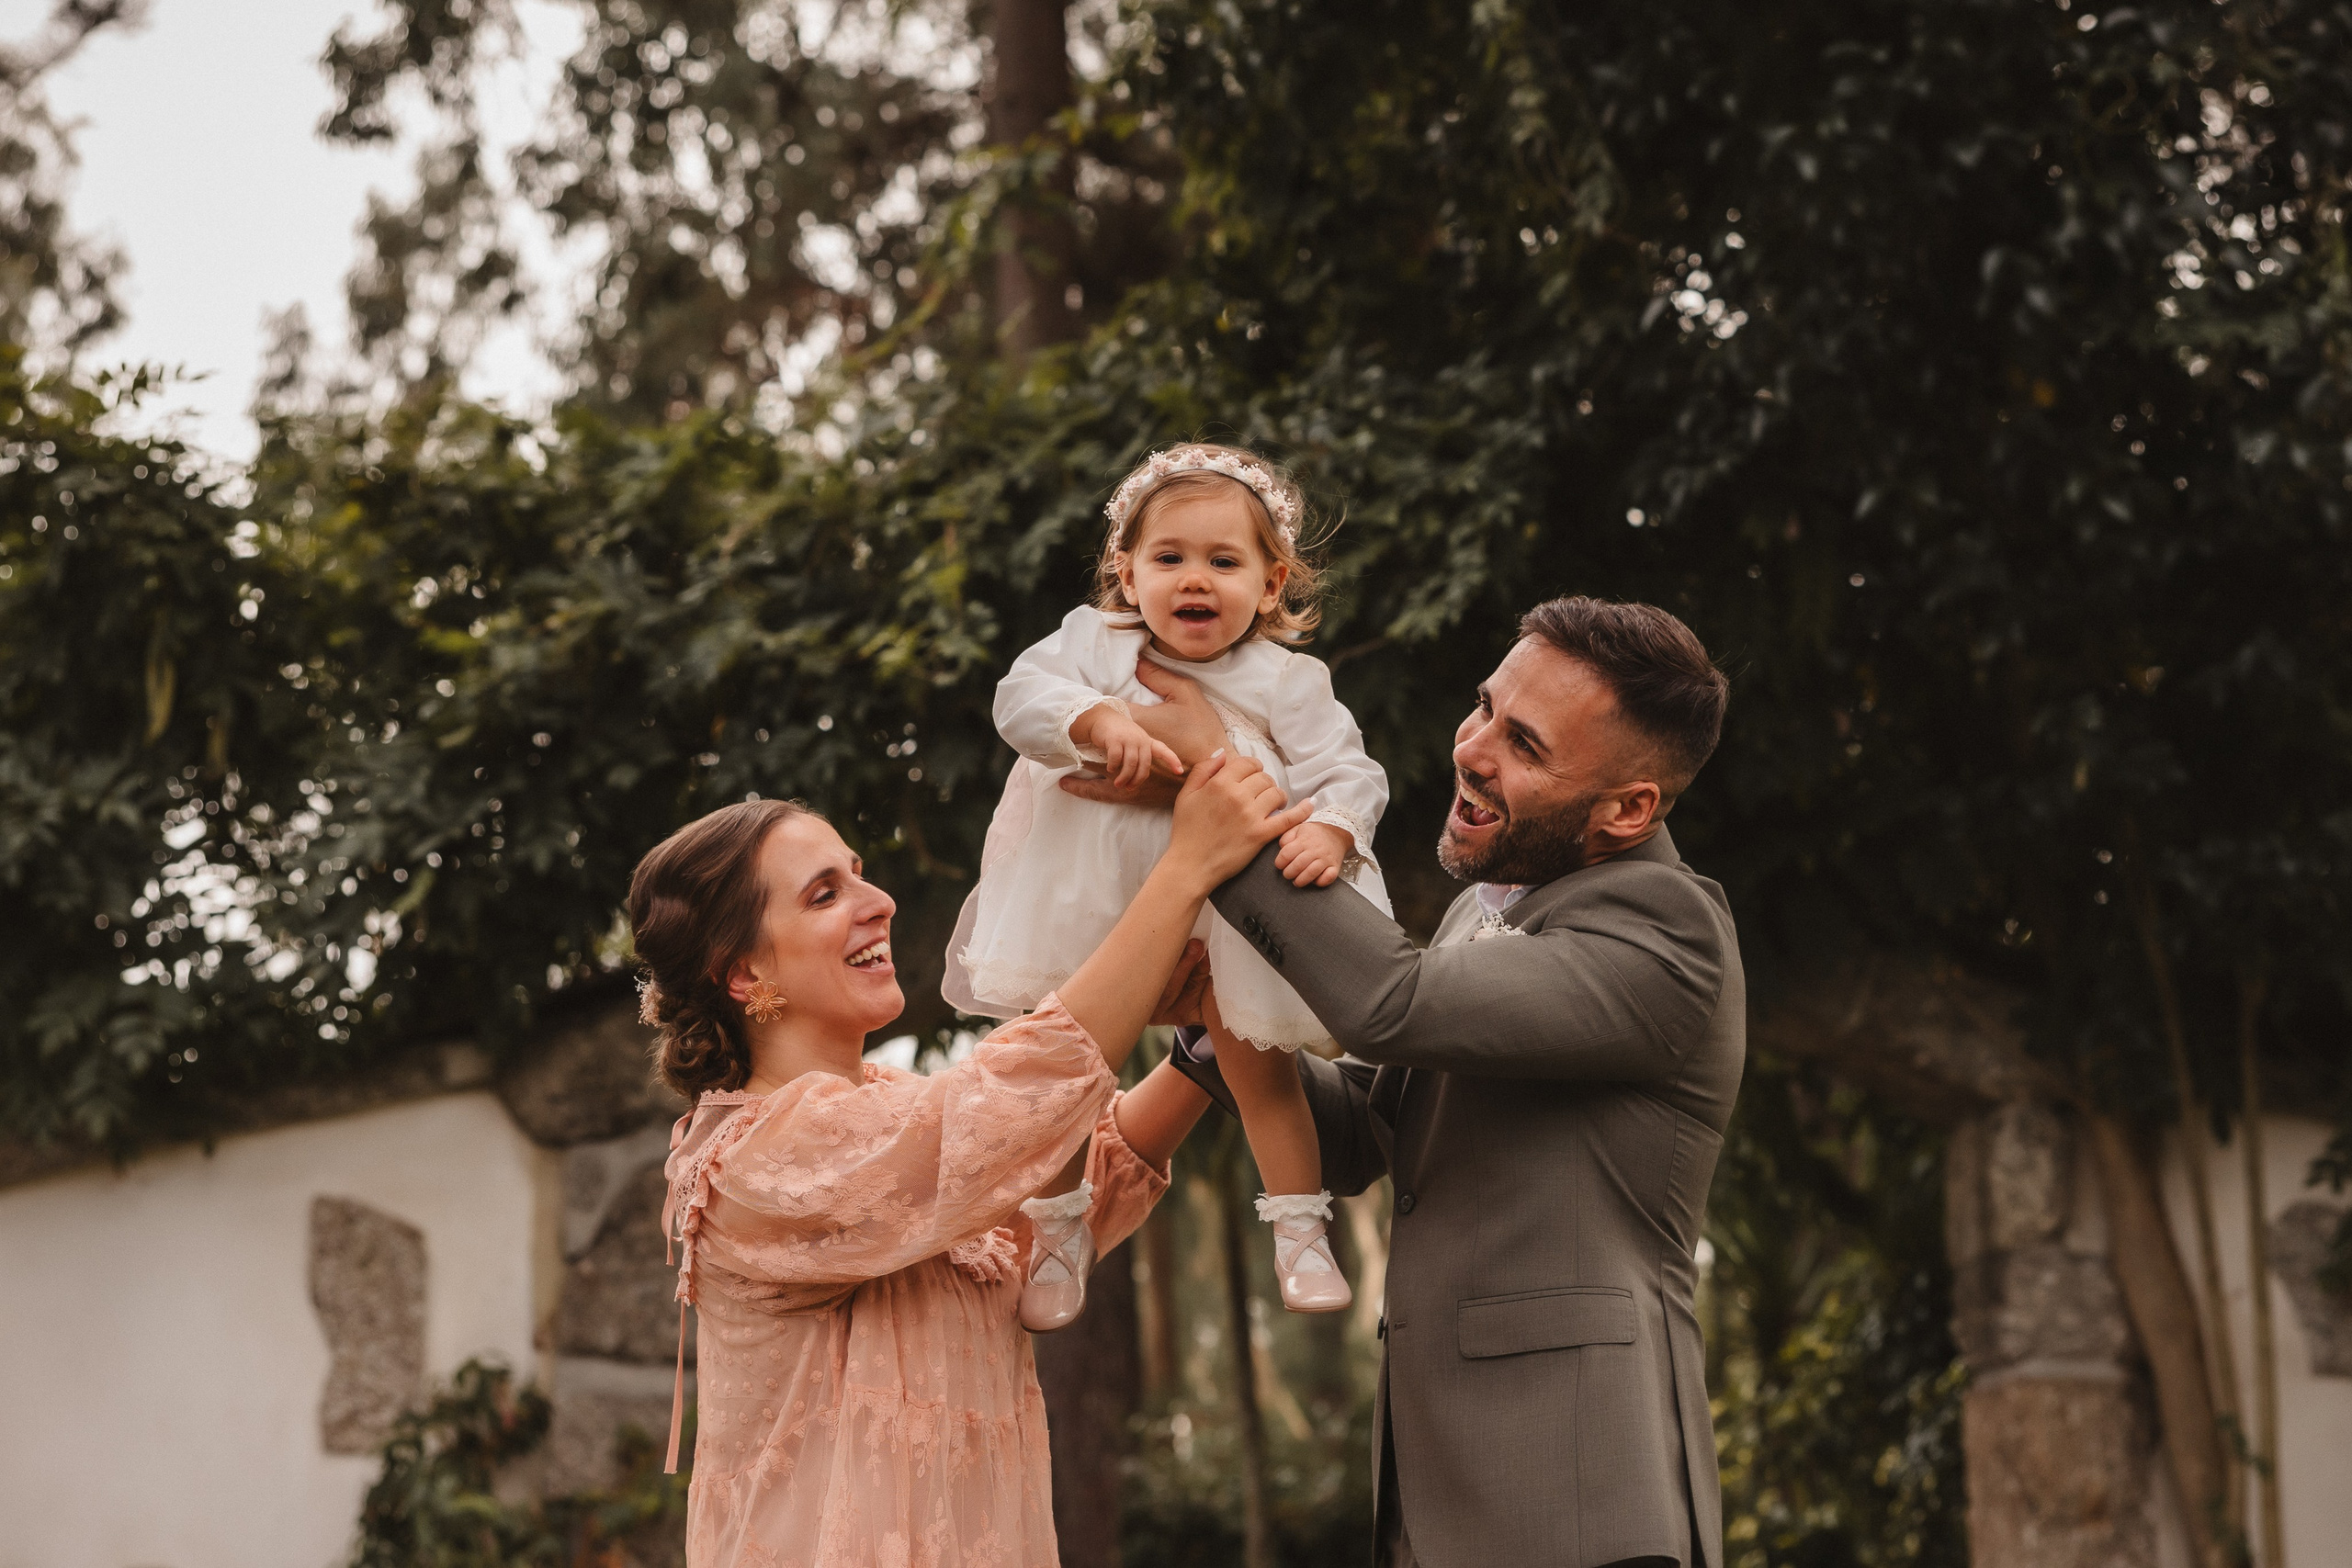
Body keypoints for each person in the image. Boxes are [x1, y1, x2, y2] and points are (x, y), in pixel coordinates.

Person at [1069, 596, 1745, 1568]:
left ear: (1628, 808)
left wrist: (1219, 793)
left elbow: (1386, 1002)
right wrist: (1226, 1020)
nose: (1471, 748)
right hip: (1441, 1503)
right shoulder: (1483, 913)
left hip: (1581, 1498)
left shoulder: (1664, 930)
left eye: (1524, 742)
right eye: (1484, 707)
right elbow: (1361, 1134)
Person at [632, 750, 1302, 1567]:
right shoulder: (755, 1157)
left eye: (860, 876)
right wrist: (1186, 867)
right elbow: (1000, 1117)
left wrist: (1200, 1043)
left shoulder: (890, 1114)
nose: (879, 904)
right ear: (744, 972)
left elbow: (1039, 1220)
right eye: (824, 893)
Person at [943, 442, 1392, 1325]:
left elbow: (1351, 769)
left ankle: (1299, 1227)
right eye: (1170, 558)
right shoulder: (1090, 644)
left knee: (1258, 1067)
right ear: (1127, 569)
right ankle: (1060, 1228)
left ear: (1271, 585)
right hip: (1095, 910)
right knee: (1071, 1070)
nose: (1195, 579)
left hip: (1229, 911)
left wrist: (1336, 825)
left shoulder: (1288, 679)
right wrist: (1097, 716)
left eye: (1224, 561)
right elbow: (1018, 699)